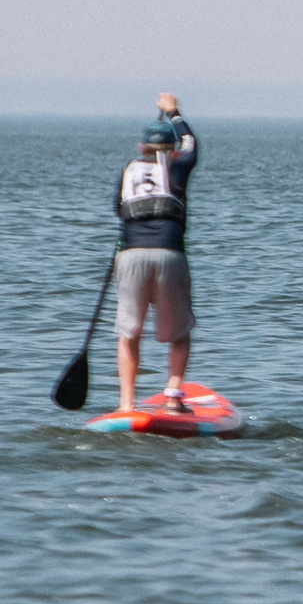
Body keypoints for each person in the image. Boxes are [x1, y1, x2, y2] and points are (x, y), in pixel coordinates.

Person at [112, 93, 199, 412]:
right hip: (169, 254)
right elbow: (191, 143)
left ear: (142, 148)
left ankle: (126, 404)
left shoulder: (128, 173)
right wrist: (174, 113)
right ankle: (173, 392)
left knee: (128, 333)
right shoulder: (179, 166)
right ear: (172, 150)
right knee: (179, 332)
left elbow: (117, 209)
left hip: (131, 254)